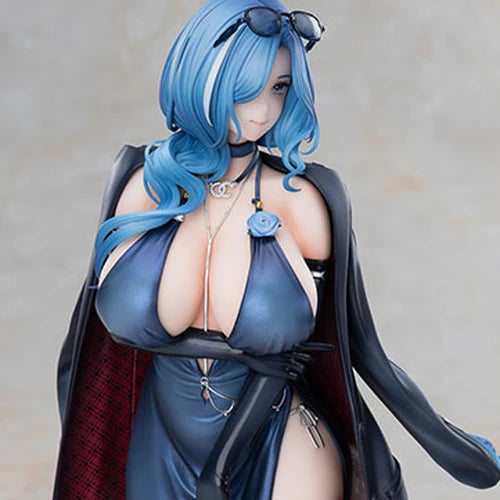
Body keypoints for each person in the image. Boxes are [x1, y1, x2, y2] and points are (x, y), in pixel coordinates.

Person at [52, 1, 500, 499]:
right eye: (245, 89)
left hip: (278, 435)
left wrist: (450, 445)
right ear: (200, 76)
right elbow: (91, 342)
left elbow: (364, 347)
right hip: (162, 439)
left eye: (280, 88)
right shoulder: (147, 186)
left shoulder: (300, 201)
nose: (263, 110)